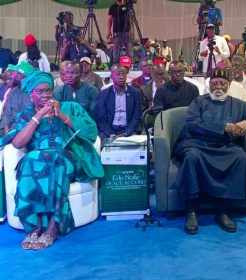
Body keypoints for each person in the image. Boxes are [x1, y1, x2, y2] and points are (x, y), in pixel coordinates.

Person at [9, 70, 103, 250]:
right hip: (35, 163)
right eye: (40, 92)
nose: (45, 95)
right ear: (31, 95)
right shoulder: (25, 115)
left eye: (48, 91)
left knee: (56, 158)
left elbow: (91, 132)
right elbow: (18, 142)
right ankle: (35, 226)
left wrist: (62, 116)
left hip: (66, 159)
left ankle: (53, 225)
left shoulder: (69, 107)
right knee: (31, 158)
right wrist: (39, 116)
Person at [174, 67, 246, 234]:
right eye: (214, 83)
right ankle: (192, 210)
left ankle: (223, 210)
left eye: (222, 83)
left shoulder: (238, 104)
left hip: (224, 146)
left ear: (229, 85)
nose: (218, 87)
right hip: (197, 144)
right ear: (209, 85)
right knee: (192, 157)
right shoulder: (199, 102)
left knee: (240, 157)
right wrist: (224, 127)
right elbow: (193, 123)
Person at [96, 64, 142, 140]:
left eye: (123, 74)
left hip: (128, 130)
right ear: (111, 77)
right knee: (101, 140)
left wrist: (125, 133)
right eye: (118, 74)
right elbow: (101, 119)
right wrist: (111, 134)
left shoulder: (135, 93)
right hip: (109, 130)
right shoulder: (104, 94)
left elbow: (136, 117)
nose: (121, 77)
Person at [0, 62, 35, 133]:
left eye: (14, 74)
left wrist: (11, 131)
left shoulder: (32, 93)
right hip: (6, 129)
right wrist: (5, 127)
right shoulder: (14, 90)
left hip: (21, 132)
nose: (12, 76)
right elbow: (7, 113)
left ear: (20, 75)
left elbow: (27, 118)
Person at [107, 0, 131, 64]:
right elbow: (109, 20)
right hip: (116, 32)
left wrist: (129, 30)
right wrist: (108, 31)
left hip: (126, 32)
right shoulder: (112, 7)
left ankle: (130, 64)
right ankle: (115, 64)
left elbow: (129, 20)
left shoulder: (126, 6)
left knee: (129, 49)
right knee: (116, 49)